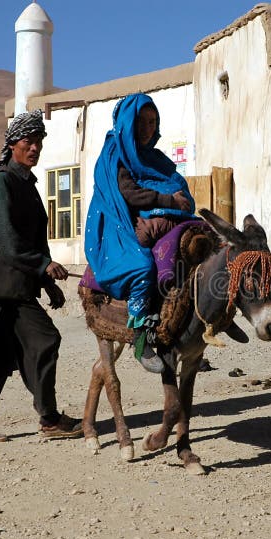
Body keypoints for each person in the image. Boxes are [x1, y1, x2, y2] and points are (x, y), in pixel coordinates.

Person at [0, 109, 82, 443]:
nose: (35, 148)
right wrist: (42, 266)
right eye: (29, 141)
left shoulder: (26, 184)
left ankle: (50, 419)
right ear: (13, 144)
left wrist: (46, 281)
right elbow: (3, 240)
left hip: (18, 290)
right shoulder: (2, 182)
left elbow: (29, 241)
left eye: (39, 142)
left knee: (42, 342)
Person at [85, 93, 195, 374]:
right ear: (128, 123)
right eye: (142, 122)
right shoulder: (114, 155)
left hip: (147, 215)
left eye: (153, 121)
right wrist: (170, 202)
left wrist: (176, 199)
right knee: (142, 266)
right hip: (115, 224)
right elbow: (129, 194)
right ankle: (140, 336)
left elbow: (175, 183)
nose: (148, 128)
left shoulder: (154, 157)